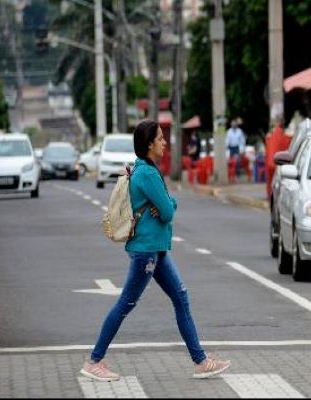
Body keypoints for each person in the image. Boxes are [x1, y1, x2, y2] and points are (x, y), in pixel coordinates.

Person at [79, 119, 231, 382]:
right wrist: (166, 203)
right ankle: (94, 360)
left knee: (180, 298)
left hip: (155, 250)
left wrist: (161, 206)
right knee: (126, 303)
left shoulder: (142, 168)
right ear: (149, 144)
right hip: (146, 252)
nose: (164, 143)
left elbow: (163, 209)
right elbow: (169, 211)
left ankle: (201, 361)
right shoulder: (147, 174)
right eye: (160, 138)